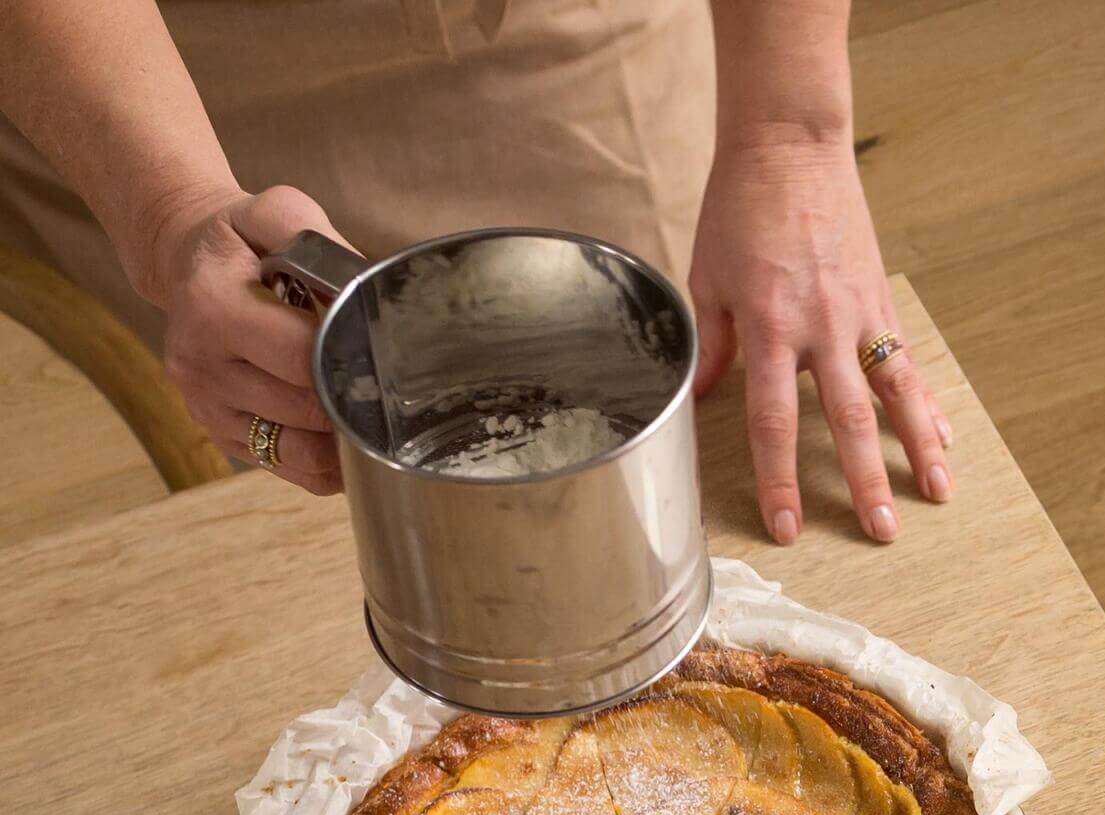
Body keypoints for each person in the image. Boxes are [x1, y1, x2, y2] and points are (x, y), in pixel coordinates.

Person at [0, 0, 947, 544]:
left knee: (658, 479)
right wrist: (171, 212)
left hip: (551, 42)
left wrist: (791, 130)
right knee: (280, 487)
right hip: (145, 69)